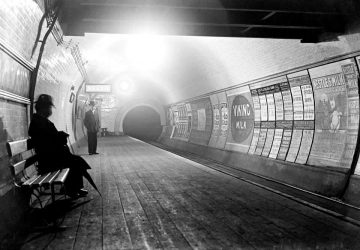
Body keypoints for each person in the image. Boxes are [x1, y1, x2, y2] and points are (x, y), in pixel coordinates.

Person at [28, 94, 90, 198]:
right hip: (48, 160)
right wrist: (60, 137)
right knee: (75, 161)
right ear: (44, 108)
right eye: (49, 107)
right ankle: (72, 189)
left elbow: (48, 138)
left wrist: (59, 135)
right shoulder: (38, 122)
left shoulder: (40, 120)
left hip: (50, 156)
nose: (50, 110)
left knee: (75, 160)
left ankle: (74, 188)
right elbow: (46, 141)